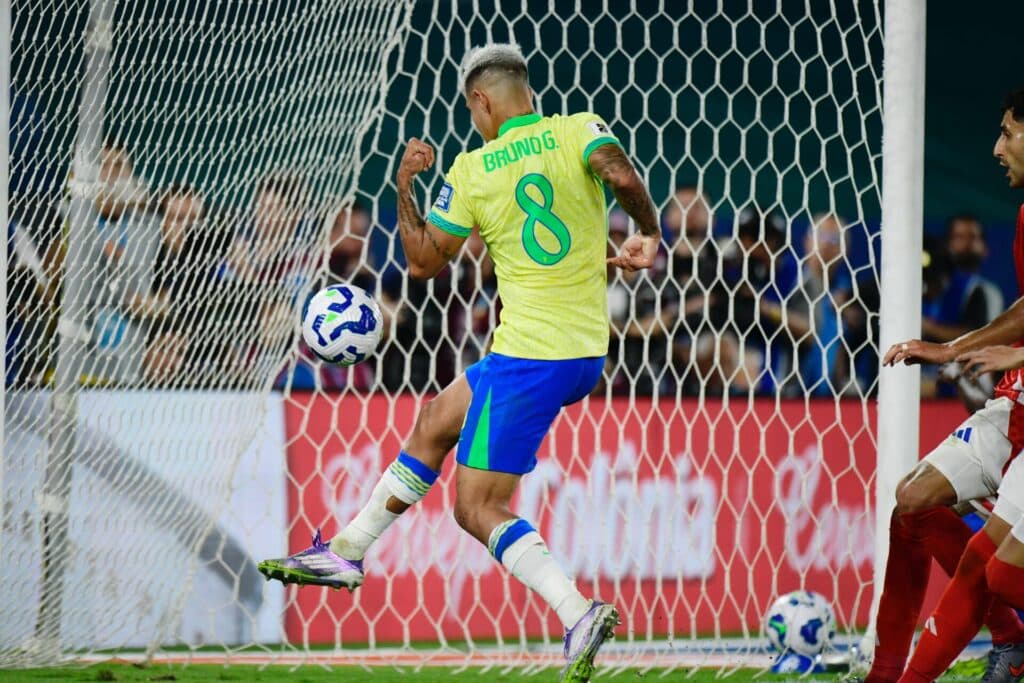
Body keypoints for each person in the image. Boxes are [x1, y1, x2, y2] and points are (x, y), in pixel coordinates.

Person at [258, 43, 662, 681]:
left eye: (470, 108)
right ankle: (346, 551)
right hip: (583, 350)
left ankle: (577, 610)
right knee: (435, 419)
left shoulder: (475, 169)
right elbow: (623, 177)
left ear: (480, 99)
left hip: (530, 356)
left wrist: (404, 182)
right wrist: (646, 232)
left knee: (476, 508)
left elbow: (421, 261)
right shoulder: (578, 127)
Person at [873, 89, 1024, 683]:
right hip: (1014, 400)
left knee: (997, 572)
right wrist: (957, 348)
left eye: (1008, 132)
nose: (995, 148)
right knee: (911, 502)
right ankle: (1002, 642)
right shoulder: (1021, 214)